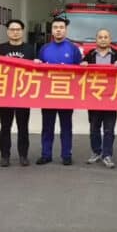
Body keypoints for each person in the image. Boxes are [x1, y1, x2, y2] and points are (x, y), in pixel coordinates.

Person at [36, 17, 82, 166]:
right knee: (47, 126)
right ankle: (46, 154)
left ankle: (66, 155)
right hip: (48, 94)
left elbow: (80, 71)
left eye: (61, 27)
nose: (58, 30)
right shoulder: (44, 49)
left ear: (66, 30)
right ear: (52, 30)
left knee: (66, 126)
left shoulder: (73, 49)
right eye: (55, 27)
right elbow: (37, 71)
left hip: (66, 94)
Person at [0, 19, 37, 167]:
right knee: (5, 126)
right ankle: (5, 156)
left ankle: (23, 156)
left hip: (23, 93)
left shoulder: (30, 49)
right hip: (5, 93)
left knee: (23, 126)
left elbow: (36, 69)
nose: (15, 32)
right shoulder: (0, 48)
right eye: (12, 29)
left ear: (22, 31)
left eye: (18, 29)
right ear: (7, 31)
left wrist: (37, 63)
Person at [81, 28, 117, 169]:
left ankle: (107, 155)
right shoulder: (89, 55)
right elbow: (80, 74)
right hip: (94, 98)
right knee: (94, 128)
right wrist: (83, 66)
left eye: (106, 37)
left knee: (109, 129)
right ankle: (96, 152)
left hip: (111, 98)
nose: (103, 39)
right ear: (96, 39)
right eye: (100, 37)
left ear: (110, 40)